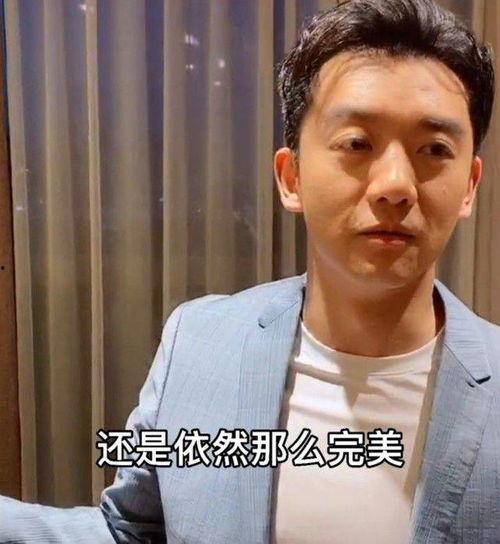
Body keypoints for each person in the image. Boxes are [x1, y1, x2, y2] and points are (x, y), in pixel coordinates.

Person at [1, 0, 499, 542]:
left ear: (469, 186)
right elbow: (133, 533)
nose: (395, 184)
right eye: (357, 143)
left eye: (434, 149)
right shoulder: (200, 342)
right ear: (291, 177)